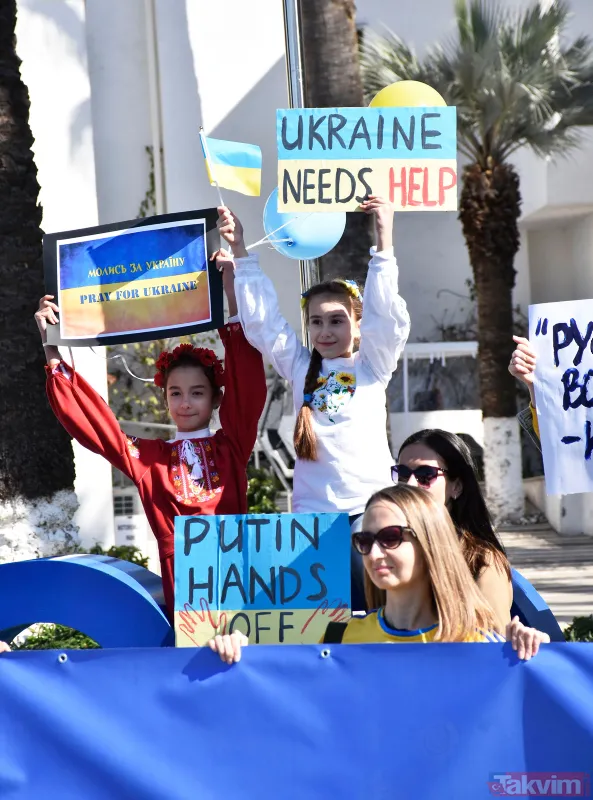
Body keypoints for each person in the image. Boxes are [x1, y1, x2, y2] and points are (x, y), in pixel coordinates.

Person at [35, 253, 267, 620]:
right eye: (175, 392)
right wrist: (51, 347)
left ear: (216, 398)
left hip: (240, 572)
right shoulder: (150, 458)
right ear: (164, 398)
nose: (186, 402)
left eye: (197, 392)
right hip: (186, 586)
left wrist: (229, 286)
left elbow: (248, 383)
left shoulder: (231, 444)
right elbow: (98, 427)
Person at [217, 197, 411, 611]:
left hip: (369, 516)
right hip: (312, 525)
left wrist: (385, 239)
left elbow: (386, 319)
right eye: (316, 322)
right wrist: (240, 251)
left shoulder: (373, 365)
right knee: (323, 624)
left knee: (377, 615)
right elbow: (266, 323)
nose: (325, 330)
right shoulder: (300, 365)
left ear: (358, 326)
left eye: (337, 320)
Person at [208, 485, 548, 663]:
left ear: (431, 542)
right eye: (364, 540)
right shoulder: (335, 639)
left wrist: (536, 653)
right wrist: (237, 649)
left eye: (390, 538)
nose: (373, 553)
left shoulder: (482, 645)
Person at [394, 429, 512, 632]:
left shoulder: (483, 561)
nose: (410, 484)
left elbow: (494, 645)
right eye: (403, 474)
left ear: (456, 486)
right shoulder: (385, 550)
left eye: (425, 475)